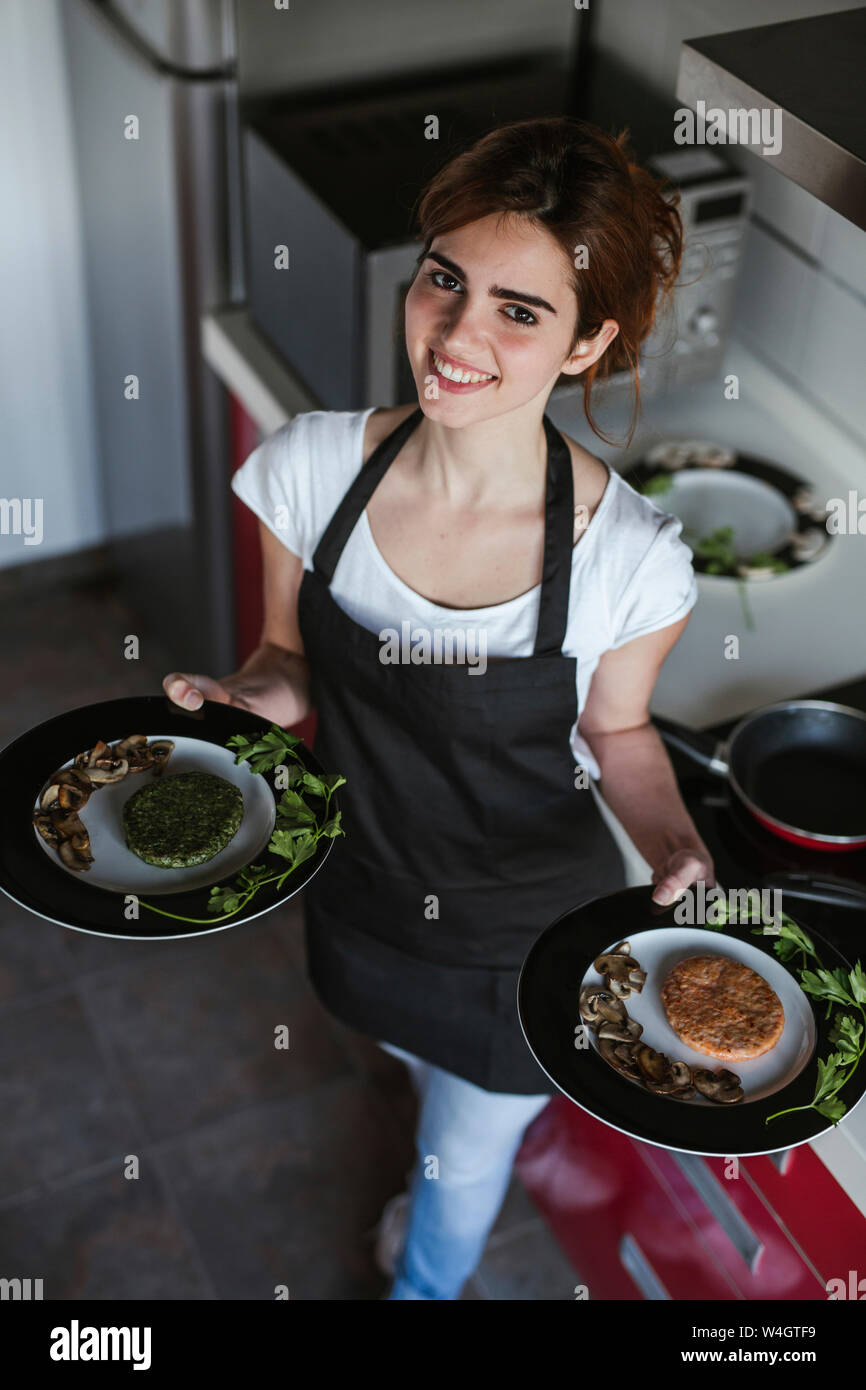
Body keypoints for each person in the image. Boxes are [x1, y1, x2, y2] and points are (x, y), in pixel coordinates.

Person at [164, 116, 715, 1300]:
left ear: (587, 344)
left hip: (521, 935)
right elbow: (283, 660)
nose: (458, 335)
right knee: (426, 1093)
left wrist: (671, 839)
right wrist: (235, 703)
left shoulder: (632, 560)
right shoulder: (310, 471)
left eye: (520, 311)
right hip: (362, 881)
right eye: (443, 281)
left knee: (466, 1157)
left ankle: (420, 1291)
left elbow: (615, 733)